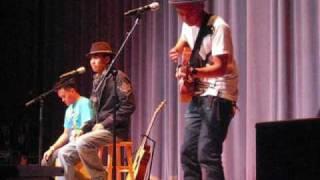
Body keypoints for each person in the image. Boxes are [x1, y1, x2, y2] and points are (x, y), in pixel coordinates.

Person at [168, 0, 239, 179]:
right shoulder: (187, 25)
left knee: (207, 154)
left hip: (218, 94)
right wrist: (178, 53)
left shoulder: (218, 27)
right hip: (199, 94)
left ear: (200, 7)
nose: (184, 18)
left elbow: (221, 68)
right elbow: (183, 42)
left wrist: (193, 71)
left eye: (188, 13)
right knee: (188, 153)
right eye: (180, 13)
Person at [58, 41, 135, 180]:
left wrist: (104, 124)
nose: (92, 62)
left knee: (82, 143)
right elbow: (94, 114)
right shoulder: (97, 80)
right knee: (63, 153)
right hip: (98, 130)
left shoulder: (118, 77)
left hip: (114, 130)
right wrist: (83, 129)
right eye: (91, 58)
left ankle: (100, 178)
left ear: (107, 59)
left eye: (96, 57)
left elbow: (128, 106)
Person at [41, 78, 93, 167]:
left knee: (61, 155)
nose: (62, 100)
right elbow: (65, 134)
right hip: (71, 144)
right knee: (46, 161)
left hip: (83, 145)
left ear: (72, 91)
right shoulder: (68, 110)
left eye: (64, 96)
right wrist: (52, 148)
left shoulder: (84, 103)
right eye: (61, 98)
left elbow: (88, 127)